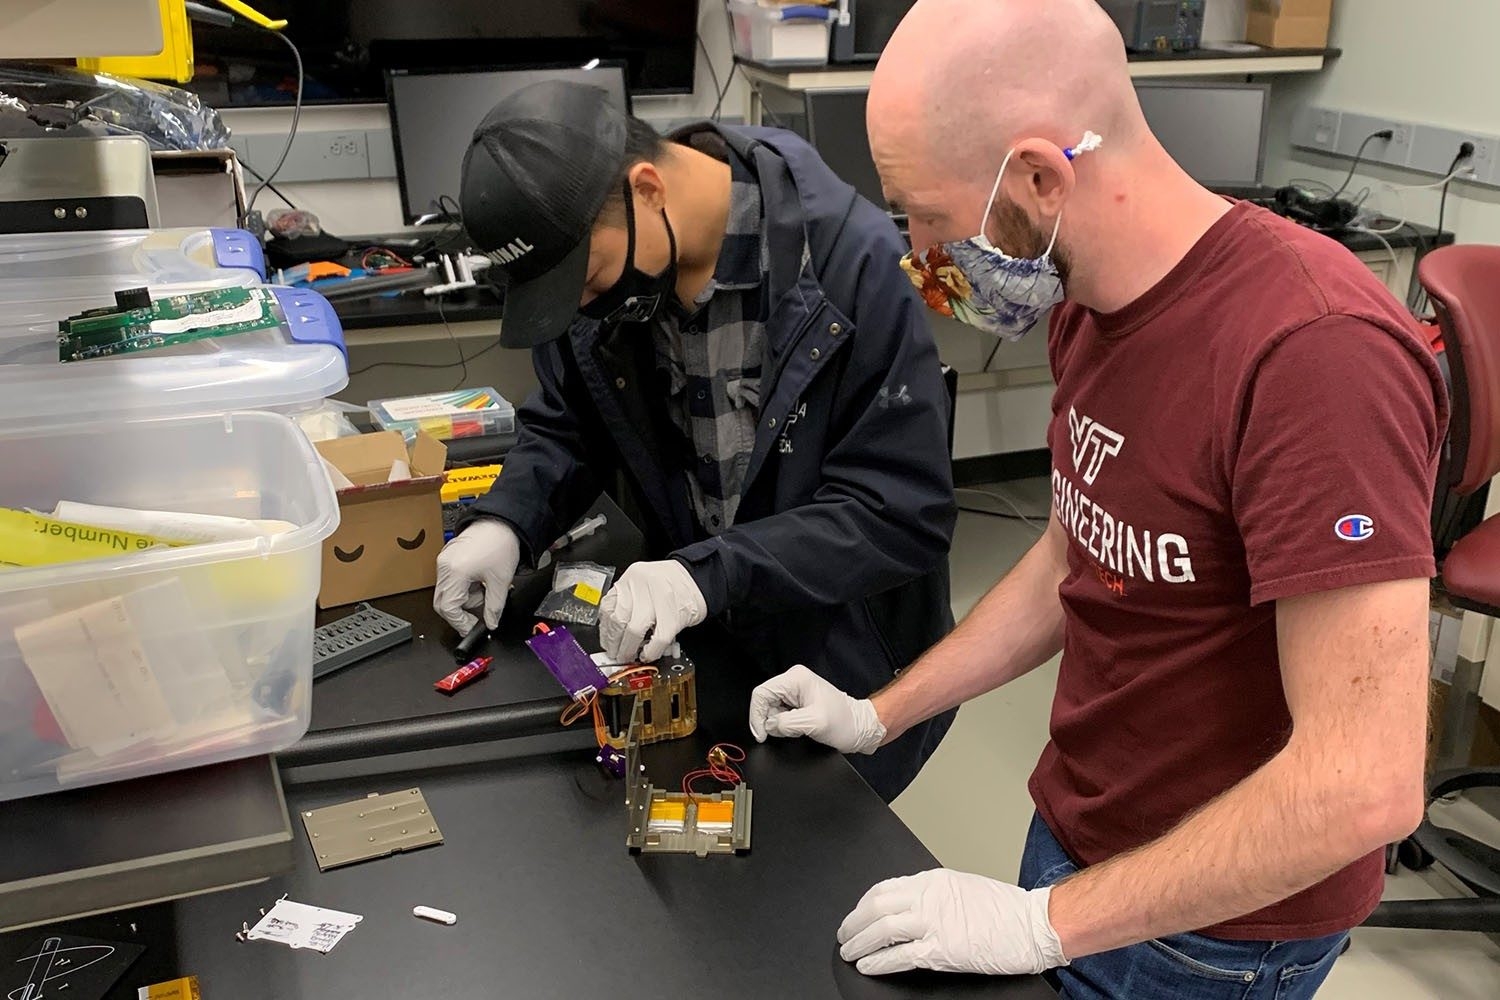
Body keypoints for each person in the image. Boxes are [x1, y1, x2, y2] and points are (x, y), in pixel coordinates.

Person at [747, 0, 1448, 994]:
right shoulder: (1084, 299)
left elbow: (1360, 785)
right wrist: (878, 713)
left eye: (930, 216)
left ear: (1039, 176)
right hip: (1081, 841)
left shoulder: (1313, 355)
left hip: (1216, 929)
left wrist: (1043, 923)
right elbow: (1076, 553)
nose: (917, 253)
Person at [433, 80, 958, 801]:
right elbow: (568, 419)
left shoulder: (847, 266)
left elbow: (899, 514)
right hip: (705, 647)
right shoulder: (611, 265)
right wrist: (507, 521)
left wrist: (705, 574)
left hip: (837, 658)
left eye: (586, 278)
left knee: (811, 869)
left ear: (646, 187)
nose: (585, 306)